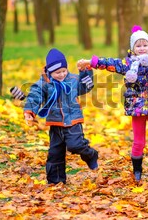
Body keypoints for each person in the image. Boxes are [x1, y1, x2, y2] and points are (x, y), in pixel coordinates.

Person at [77, 25, 148, 182]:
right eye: (138, 46)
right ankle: (137, 170)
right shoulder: (127, 64)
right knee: (138, 141)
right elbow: (109, 63)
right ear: (133, 48)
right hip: (136, 106)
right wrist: (90, 62)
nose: (142, 48)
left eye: (144, 45)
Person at [24, 48, 99, 185]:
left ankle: (90, 154)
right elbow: (35, 96)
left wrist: (86, 71)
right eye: (57, 72)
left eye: (64, 71)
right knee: (55, 153)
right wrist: (29, 111)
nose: (62, 74)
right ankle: (56, 181)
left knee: (75, 145)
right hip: (55, 123)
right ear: (50, 72)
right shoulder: (45, 83)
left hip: (73, 121)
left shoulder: (73, 79)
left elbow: (86, 86)